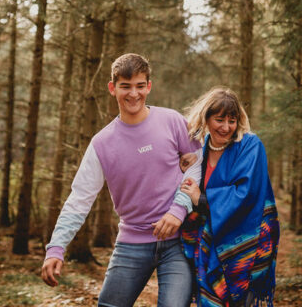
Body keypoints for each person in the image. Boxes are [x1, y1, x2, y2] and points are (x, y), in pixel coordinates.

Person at [41, 53, 203, 307]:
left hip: (178, 242)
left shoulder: (171, 121)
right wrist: (56, 247)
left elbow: (197, 164)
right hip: (132, 244)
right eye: (125, 86)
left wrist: (178, 209)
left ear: (149, 86)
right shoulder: (102, 143)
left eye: (140, 86)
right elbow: (80, 198)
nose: (133, 94)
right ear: (112, 88)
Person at [179, 87, 280, 307]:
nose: (226, 127)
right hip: (209, 243)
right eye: (219, 120)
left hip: (247, 239)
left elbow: (247, 194)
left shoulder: (250, 145)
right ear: (206, 119)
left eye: (232, 121)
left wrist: (201, 199)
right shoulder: (200, 150)